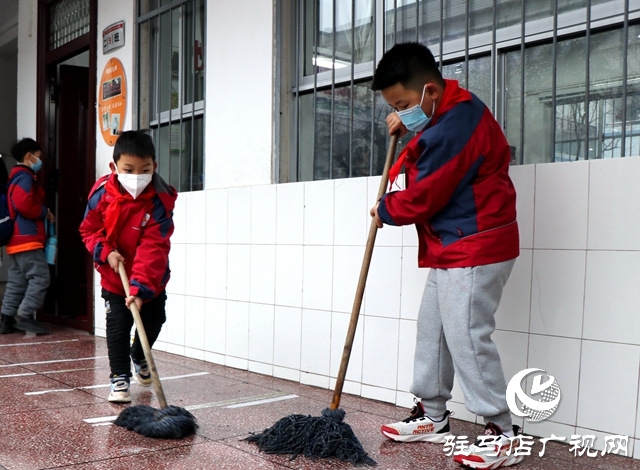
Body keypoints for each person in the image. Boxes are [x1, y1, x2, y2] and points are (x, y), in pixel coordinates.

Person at [369, 43, 522, 469]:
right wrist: (408, 131)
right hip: (453, 244)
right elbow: (419, 161)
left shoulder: (456, 125)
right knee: (433, 329)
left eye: (403, 103)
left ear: (429, 91)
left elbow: (425, 194)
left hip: (475, 243)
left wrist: (386, 209)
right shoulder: (448, 112)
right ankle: (434, 416)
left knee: (467, 337)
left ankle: (502, 430)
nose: (400, 112)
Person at [79, 131, 177, 403]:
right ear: (114, 167)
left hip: (150, 278)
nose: (137, 176)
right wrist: (106, 251)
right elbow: (89, 231)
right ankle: (119, 378)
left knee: (153, 321)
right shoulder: (101, 195)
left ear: (154, 167)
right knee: (118, 326)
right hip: (114, 275)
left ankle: (139, 356)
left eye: (144, 170)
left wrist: (140, 288)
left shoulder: (160, 200)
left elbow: (154, 247)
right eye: (128, 169)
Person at [0, 138, 54, 335]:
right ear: (29, 156)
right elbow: (23, 204)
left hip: (16, 240)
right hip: (27, 238)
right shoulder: (25, 177)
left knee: (17, 281)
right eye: (38, 157)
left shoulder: (14, 177)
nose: (40, 161)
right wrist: (44, 211)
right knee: (40, 277)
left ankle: (6, 320)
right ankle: (25, 315)